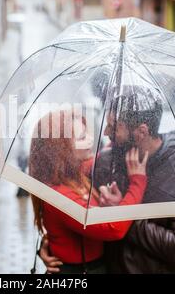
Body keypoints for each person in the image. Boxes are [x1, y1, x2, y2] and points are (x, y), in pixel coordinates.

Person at [40, 86, 175, 274]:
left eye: (114, 126)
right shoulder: (106, 161)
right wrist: (52, 243)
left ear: (141, 132)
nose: (105, 132)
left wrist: (122, 212)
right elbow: (72, 212)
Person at [29, 109, 149, 274]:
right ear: (60, 149)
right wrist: (137, 182)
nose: (91, 140)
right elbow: (115, 229)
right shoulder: (57, 195)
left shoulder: (76, 172)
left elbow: (104, 155)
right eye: (82, 138)